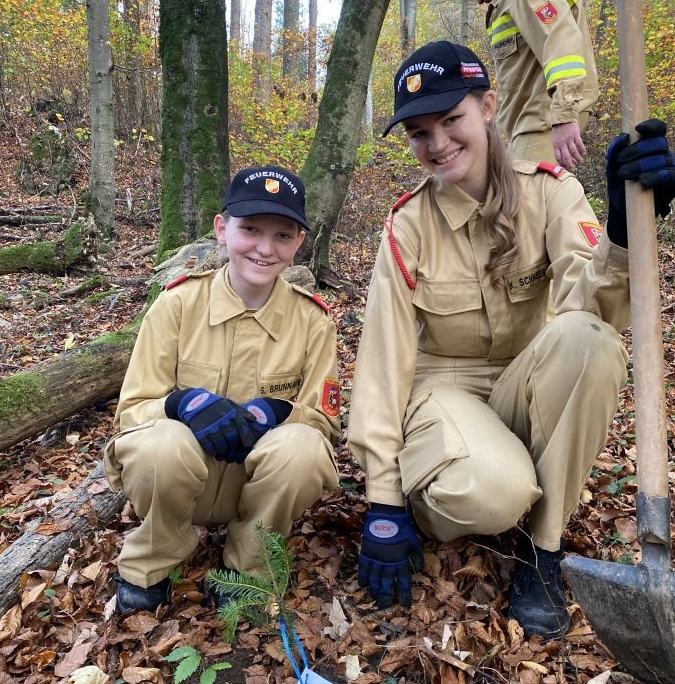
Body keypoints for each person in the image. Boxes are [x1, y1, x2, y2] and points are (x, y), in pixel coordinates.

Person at [347, 40, 675, 640]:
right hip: (444, 390)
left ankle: (541, 554)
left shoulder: (551, 191)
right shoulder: (408, 226)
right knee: (496, 493)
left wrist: (628, 226)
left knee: (592, 342)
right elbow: (382, 363)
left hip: (523, 379)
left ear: (490, 107)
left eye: (451, 120)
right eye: (419, 133)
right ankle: (457, 487)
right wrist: (384, 503)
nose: (438, 143)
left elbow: (596, 306)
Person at [104, 165, 341, 614]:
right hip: (178, 483)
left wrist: (278, 411)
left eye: (282, 235)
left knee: (305, 448)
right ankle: (151, 564)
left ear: (299, 244)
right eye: (250, 229)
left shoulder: (313, 322)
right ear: (221, 228)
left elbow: (324, 422)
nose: (265, 248)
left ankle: (248, 568)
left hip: (255, 485)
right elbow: (132, 411)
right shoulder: (176, 305)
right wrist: (181, 403)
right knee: (160, 441)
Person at [481, 0, 598, 172]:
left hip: (543, 119)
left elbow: (561, 42)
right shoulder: (502, 4)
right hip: (530, 122)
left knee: (526, 195)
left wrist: (564, 116)